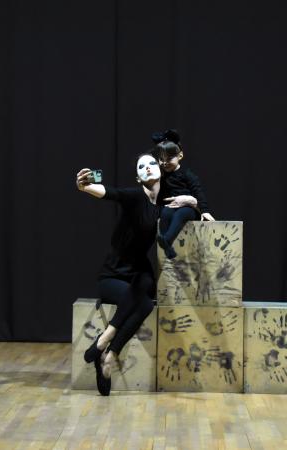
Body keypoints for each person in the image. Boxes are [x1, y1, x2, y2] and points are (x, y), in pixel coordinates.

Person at [75, 154, 197, 396]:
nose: (147, 168)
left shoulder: (162, 207)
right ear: (138, 177)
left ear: (160, 171)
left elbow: (189, 212)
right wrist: (84, 187)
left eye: (152, 163)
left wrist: (191, 200)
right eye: (142, 166)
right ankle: (104, 343)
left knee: (146, 299)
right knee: (142, 302)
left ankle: (108, 354)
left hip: (138, 273)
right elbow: (111, 193)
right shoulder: (134, 196)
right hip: (112, 276)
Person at [151, 129, 215, 259]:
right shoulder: (163, 176)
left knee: (181, 213)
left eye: (169, 158)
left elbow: (198, 192)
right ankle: (167, 247)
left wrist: (205, 211)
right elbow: (160, 195)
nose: (165, 162)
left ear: (180, 156)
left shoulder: (187, 174)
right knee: (166, 212)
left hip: (189, 208)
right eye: (161, 159)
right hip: (172, 206)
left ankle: (167, 239)